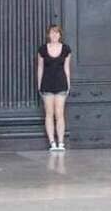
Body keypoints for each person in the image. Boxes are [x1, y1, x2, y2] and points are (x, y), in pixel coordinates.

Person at [37, 24, 72, 152]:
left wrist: (68, 84)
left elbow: (66, 68)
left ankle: (61, 142)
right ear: (48, 35)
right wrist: (39, 84)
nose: (54, 35)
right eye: (52, 33)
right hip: (47, 83)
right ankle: (52, 142)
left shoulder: (66, 49)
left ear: (60, 35)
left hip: (61, 83)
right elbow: (40, 68)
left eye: (57, 33)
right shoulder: (42, 50)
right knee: (49, 114)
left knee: (60, 113)